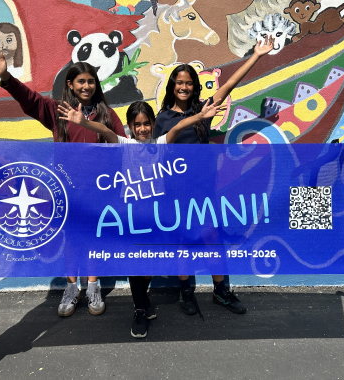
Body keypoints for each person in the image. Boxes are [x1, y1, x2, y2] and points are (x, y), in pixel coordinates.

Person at [59, 99, 224, 338]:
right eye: (137, 125)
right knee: (136, 263)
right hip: (131, 219)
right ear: (130, 126)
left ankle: (143, 302)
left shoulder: (160, 144)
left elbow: (178, 128)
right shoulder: (125, 144)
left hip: (156, 218)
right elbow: (105, 130)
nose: (143, 128)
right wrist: (83, 122)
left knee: (151, 264)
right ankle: (139, 310)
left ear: (153, 124)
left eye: (147, 123)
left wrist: (201, 116)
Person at [0, 47, 127, 317]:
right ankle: (72, 288)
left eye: (91, 81)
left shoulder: (107, 115)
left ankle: (92, 286)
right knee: (72, 239)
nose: (86, 86)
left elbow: (122, 144)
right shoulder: (57, 111)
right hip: (67, 190)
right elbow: (30, 101)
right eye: (81, 81)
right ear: (70, 84)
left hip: (99, 191)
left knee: (94, 237)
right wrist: (7, 78)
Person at [152, 35, 275, 316]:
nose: (184, 87)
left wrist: (256, 55)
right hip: (176, 191)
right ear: (172, 86)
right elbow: (158, 155)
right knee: (182, 241)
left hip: (204, 189)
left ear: (194, 87)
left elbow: (230, 84)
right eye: (179, 82)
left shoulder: (204, 110)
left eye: (188, 83)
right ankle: (186, 294)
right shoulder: (162, 119)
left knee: (211, 238)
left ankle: (221, 292)